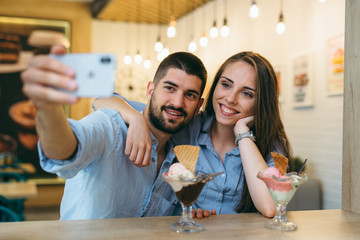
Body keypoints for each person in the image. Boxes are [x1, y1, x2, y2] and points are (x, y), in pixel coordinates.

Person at [93, 51, 292, 218]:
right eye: (226, 84)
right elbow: (103, 101)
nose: (230, 98)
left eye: (247, 93)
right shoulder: (186, 124)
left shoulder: (270, 143)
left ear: (261, 102)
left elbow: (271, 207)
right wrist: (135, 118)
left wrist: (242, 133)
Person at [20, 45, 208, 220]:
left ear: (199, 105)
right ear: (150, 90)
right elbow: (65, 150)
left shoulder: (181, 155)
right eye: (170, 88)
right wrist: (48, 107)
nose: (177, 102)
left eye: (190, 95)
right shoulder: (111, 126)